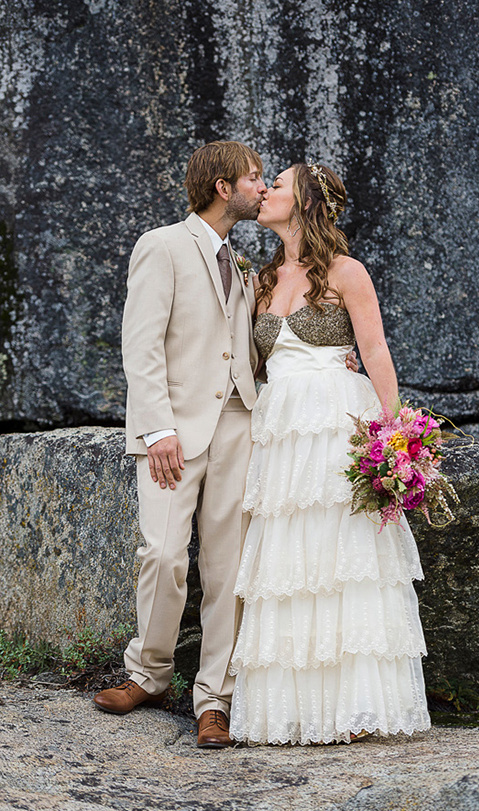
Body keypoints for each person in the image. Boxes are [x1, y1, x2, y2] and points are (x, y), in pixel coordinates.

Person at [228, 162, 431, 745]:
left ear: (306, 200)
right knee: (291, 559)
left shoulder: (347, 272)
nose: (265, 192)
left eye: (279, 186)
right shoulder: (262, 280)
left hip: (339, 421)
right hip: (283, 427)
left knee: (346, 556)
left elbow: (375, 351)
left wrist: (398, 440)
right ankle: (292, 709)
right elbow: (255, 360)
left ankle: (357, 706)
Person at [93, 141, 266, 748]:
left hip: (239, 424)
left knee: (228, 567)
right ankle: (150, 673)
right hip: (174, 431)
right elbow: (139, 345)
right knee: (163, 555)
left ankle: (213, 700)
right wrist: (158, 429)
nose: (261, 187)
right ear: (222, 186)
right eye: (253, 177)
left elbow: (247, 348)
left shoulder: (243, 264)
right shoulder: (161, 245)